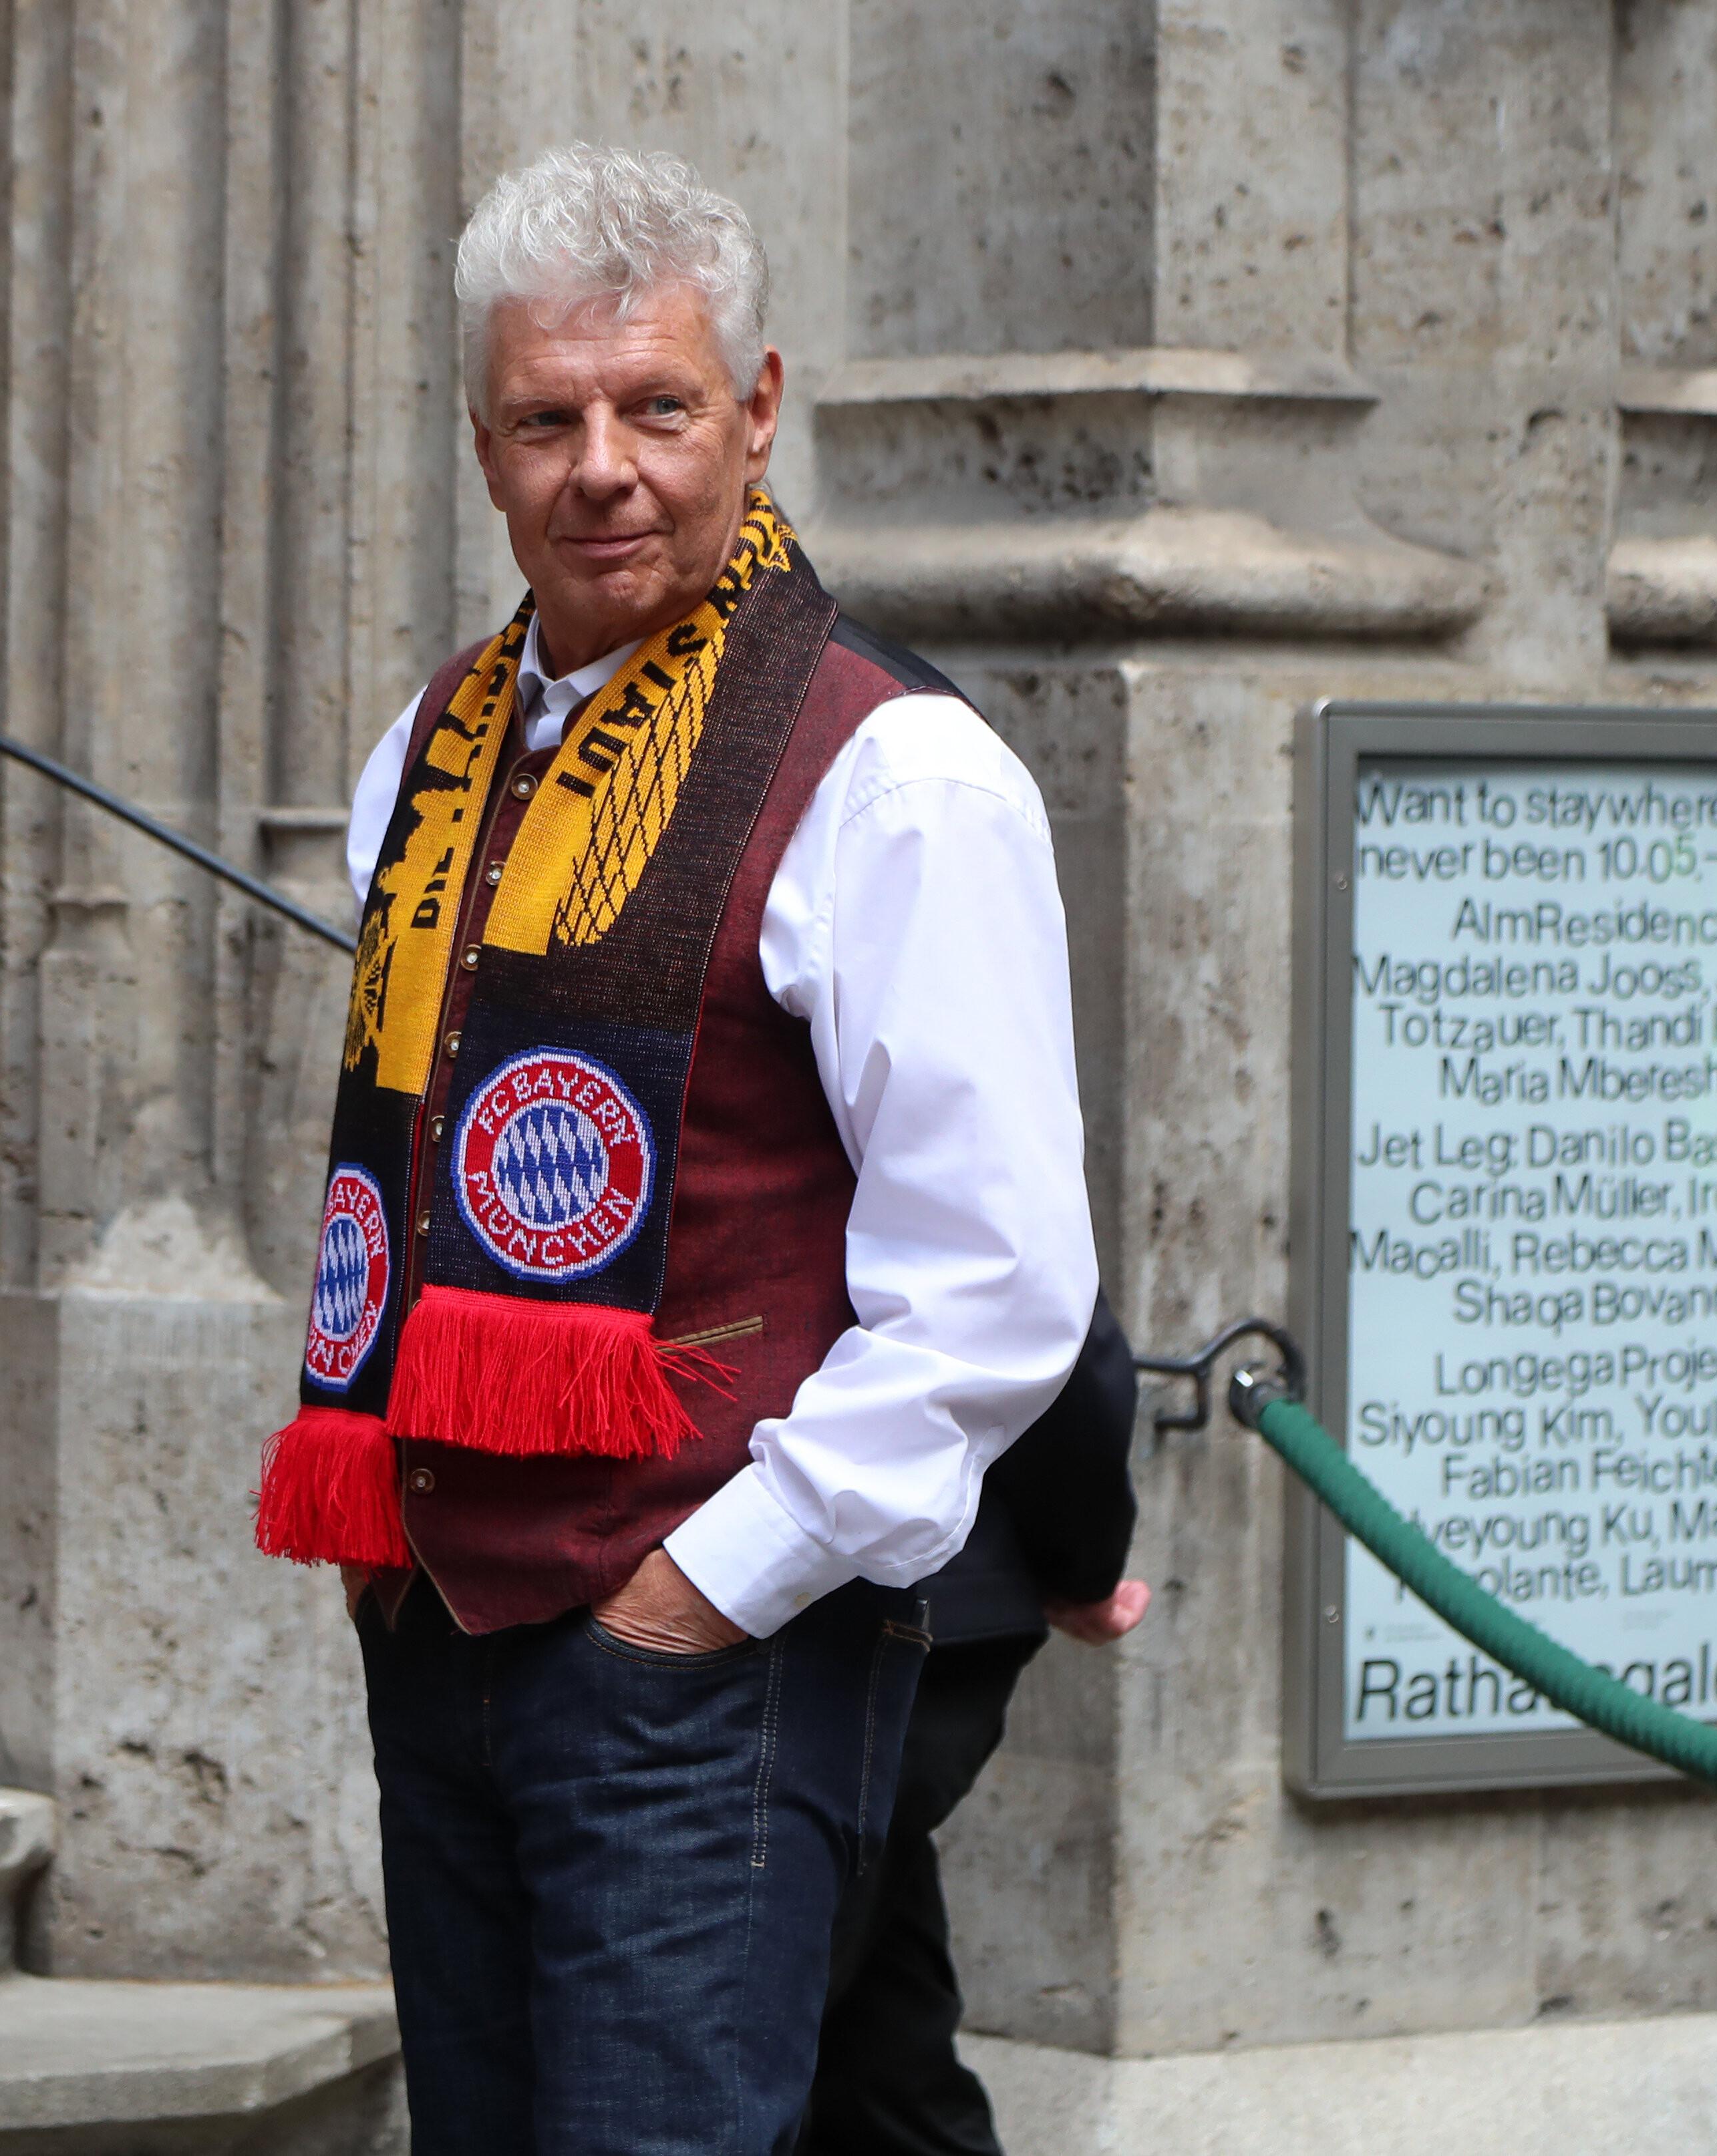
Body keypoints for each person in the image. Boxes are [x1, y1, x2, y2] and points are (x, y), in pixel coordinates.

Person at [252, 142, 1095, 2156]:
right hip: (443, 1632)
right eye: (548, 417)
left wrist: (711, 1583)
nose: (602, 465)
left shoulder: (892, 770)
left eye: (656, 406)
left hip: (699, 1656)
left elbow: (996, 1285)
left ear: (759, 409)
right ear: (482, 446)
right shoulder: (430, 746)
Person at [803, 1303, 1150, 2156]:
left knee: (753, 2023)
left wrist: (1078, 1564)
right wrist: (1076, 1562)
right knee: (879, 2041)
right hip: (906, 1601)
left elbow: (1038, 1305)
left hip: (863, 1606)